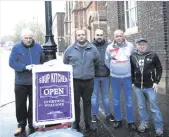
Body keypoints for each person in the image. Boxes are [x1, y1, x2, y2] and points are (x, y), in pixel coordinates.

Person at [63, 29, 100, 131]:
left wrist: (89, 71)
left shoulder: (93, 48)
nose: (81, 36)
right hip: (75, 81)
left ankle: (88, 123)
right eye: (79, 35)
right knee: (75, 103)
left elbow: (96, 62)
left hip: (89, 80)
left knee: (87, 102)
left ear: (86, 35)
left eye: (83, 34)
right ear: (76, 36)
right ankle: (76, 122)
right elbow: (65, 62)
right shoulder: (70, 49)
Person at [9, 29, 43, 136]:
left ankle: (32, 124)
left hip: (35, 81)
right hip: (21, 82)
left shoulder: (38, 47)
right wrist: (24, 67)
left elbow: (43, 61)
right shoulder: (16, 48)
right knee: (20, 105)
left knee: (34, 104)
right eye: (26, 38)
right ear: (22, 38)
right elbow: (12, 63)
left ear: (33, 37)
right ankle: (21, 125)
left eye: (30, 38)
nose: (28, 40)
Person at [131, 38, 163, 136]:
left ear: (146, 45)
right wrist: (133, 82)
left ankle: (159, 127)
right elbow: (132, 70)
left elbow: (159, 68)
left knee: (154, 107)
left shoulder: (153, 55)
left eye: (143, 44)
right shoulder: (133, 56)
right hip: (138, 87)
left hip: (150, 87)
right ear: (136, 45)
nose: (142, 46)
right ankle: (144, 123)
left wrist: (156, 82)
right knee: (141, 107)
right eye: (140, 44)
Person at [105, 29, 136, 130]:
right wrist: (114, 69)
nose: (119, 38)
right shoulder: (109, 47)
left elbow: (133, 59)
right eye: (117, 36)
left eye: (120, 36)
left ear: (123, 36)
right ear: (114, 37)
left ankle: (131, 121)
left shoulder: (130, 46)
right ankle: (118, 119)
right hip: (114, 78)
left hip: (127, 77)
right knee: (116, 100)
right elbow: (106, 61)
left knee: (129, 101)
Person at [91, 29, 114, 123]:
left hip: (106, 75)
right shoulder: (90, 46)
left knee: (105, 97)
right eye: (97, 35)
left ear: (103, 35)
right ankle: (94, 115)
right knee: (94, 97)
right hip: (94, 76)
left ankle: (108, 114)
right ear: (94, 35)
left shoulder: (109, 46)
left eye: (101, 35)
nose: (99, 37)